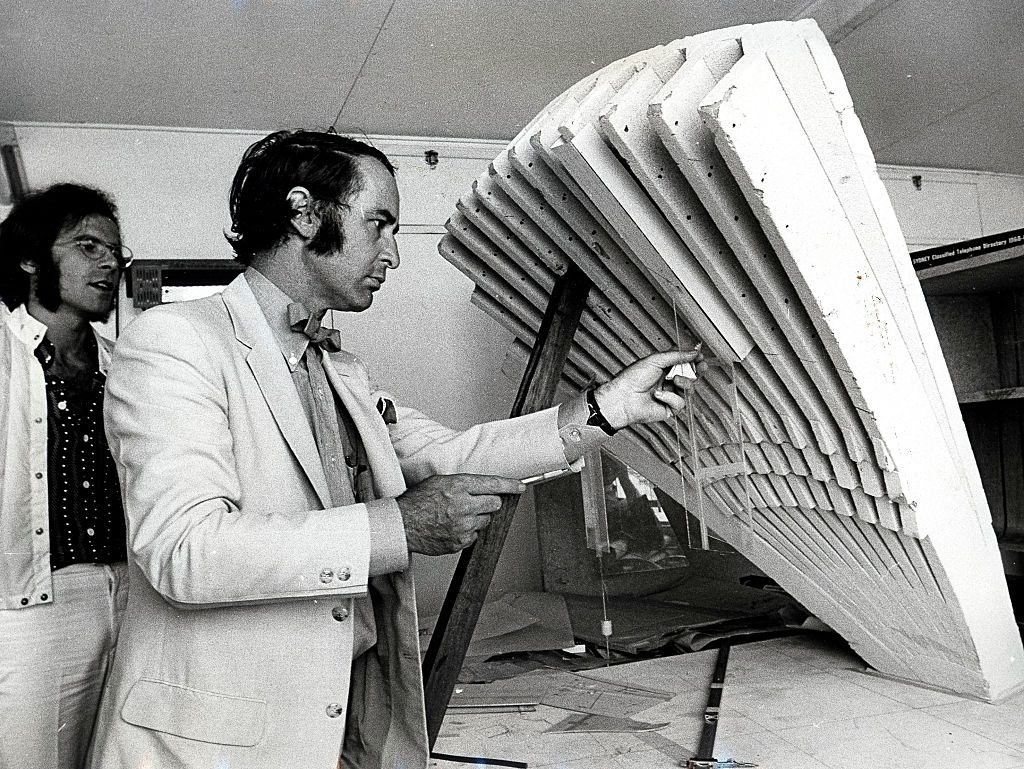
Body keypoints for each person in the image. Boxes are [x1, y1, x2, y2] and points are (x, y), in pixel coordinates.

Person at [89, 130, 705, 769]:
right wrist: (399, 526)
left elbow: (456, 458)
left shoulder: (335, 367)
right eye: (379, 224)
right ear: (304, 214)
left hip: (336, 722)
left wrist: (606, 408)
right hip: (216, 742)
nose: (393, 254)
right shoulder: (175, 342)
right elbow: (184, 550)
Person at [0, 183, 133, 769]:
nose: (110, 262)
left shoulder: (128, 363)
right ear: (31, 258)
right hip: (34, 602)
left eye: (114, 250)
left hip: (136, 591)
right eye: (88, 247)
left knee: (125, 754)